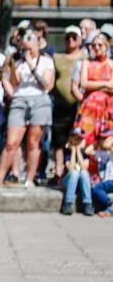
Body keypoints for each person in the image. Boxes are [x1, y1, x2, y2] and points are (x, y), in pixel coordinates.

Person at [0, 28, 54, 189]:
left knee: (33, 142)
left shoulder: (46, 61)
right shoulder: (17, 60)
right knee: (12, 142)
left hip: (40, 100)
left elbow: (47, 84)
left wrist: (32, 66)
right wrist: (15, 67)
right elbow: (13, 81)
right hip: (19, 100)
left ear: (38, 43)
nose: (26, 43)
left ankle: (30, 179)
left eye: (30, 39)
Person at [50, 25, 85, 185]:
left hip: (80, 104)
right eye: (67, 37)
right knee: (59, 139)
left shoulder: (85, 57)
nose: (70, 40)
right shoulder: (57, 57)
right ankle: (58, 171)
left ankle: (76, 170)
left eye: (74, 37)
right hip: (60, 104)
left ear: (80, 39)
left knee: (77, 138)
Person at [74, 32, 113, 146]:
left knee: (105, 143)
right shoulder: (87, 63)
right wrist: (106, 84)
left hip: (107, 108)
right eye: (94, 45)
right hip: (89, 107)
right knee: (84, 141)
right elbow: (84, 84)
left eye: (100, 45)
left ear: (106, 46)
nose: (96, 48)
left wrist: (94, 85)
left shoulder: (111, 64)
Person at [60, 130, 93, 216]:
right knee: (74, 173)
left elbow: (84, 167)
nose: (76, 140)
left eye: (79, 139)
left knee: (84, 173)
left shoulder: (85, 153)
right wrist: (73, 151)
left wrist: (78, 151)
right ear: (70, 138)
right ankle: (68, 203)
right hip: (68, 181)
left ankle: (88, 204)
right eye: (74, 137)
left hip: (81, 182)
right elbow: (70, 168)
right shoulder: (66, 151)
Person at [87, 128, 113, 217]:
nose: (102, 141)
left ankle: (109, 204)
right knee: (94, 189)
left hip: (110, 181)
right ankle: (109, 207)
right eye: (101, 139)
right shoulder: (101, 153)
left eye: (105, 139)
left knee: (96, 188)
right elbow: (88, 151)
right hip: (106, 182)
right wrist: (95, 143)